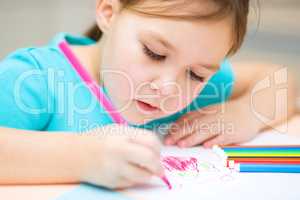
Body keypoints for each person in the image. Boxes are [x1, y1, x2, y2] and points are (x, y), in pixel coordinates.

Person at [0, 0, 296, 189]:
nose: (169, 89)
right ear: (108, 12)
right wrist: (85, 157)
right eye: (154, 53)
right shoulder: (37, 79)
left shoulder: (196, 88)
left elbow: (285, 81)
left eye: (197, 74)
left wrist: (247, 113)